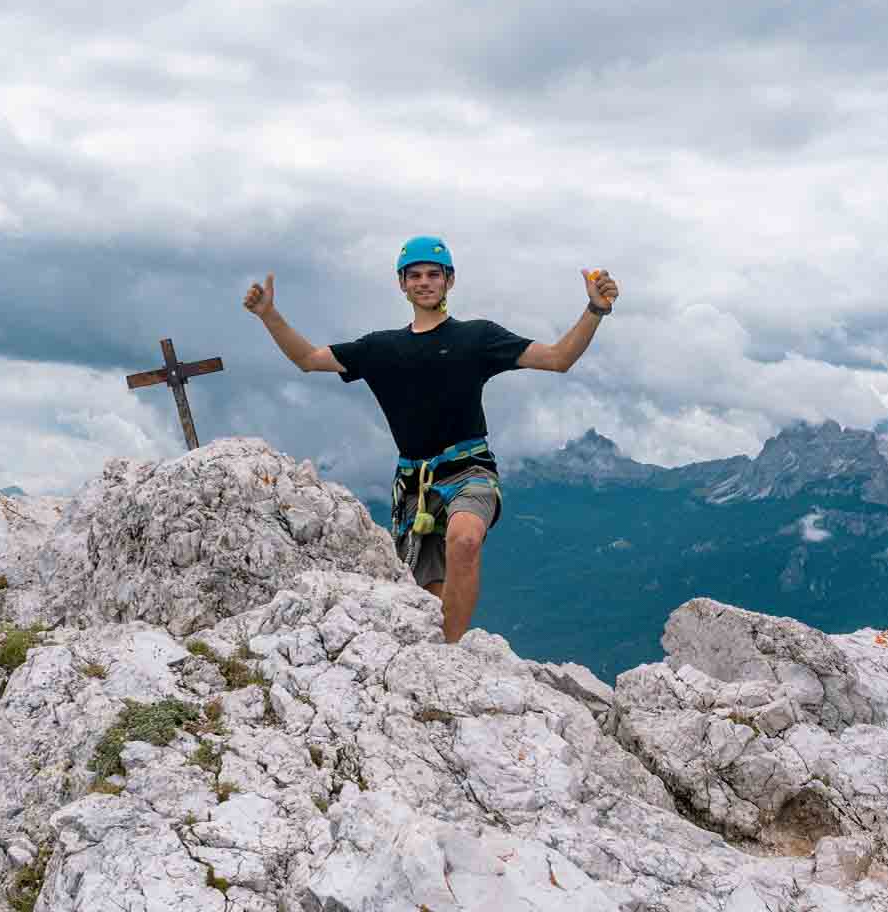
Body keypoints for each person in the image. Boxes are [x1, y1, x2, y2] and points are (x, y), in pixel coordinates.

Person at [244, 236, 619, 643]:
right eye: (416, 275)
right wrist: (269, 315)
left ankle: (450, 659)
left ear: (449, 281)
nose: (425, 282)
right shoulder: (380, 348)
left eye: (433, 275)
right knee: (431, 603)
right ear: (402, 284)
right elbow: (308, 360)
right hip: (415, 487)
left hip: (470, 469)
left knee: (466, 538)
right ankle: (442, 651)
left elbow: (557, 358)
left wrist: (595, 310)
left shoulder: (477, 338)